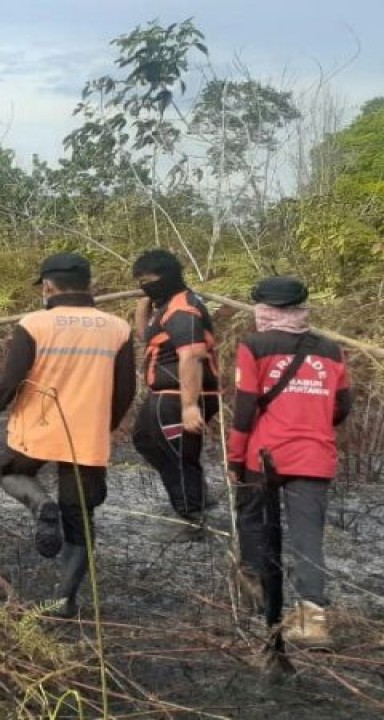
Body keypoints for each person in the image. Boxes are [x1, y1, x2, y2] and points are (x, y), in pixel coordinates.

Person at [0, 252, 136, 617]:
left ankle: (41, 505)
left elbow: (12, 378)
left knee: (11, 473)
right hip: (87, 435)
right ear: (89, 284)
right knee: (80, 519)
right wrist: (105, 426)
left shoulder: (34, 324)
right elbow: (126, 390)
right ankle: (64, 600)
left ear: (48, 286)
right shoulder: (118, 328)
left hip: (37, 429)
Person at [228, 276, 351, 647]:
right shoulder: (330, 350)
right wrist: (312, 420)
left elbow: (245, 407)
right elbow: (343, 406)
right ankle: (314, 621)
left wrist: (235, 456)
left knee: (252, 522)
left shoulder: (254, 345)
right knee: (307, 537)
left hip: (263, 455)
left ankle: (259, 599)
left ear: (264, 309)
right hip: (314, 455)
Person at [130, 249, 221, 540]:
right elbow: (145, 337)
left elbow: (192, 355)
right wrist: (143, 303)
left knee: (180, 456)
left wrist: (189, 406)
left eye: (148, 281)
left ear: (168, 277)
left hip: (180, 395)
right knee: (145, 440)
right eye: (141, 282)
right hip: (164, 394)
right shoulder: (165, 307)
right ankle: (196, 497)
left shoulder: (183, 310)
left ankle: (193, 519)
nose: (145, 286)